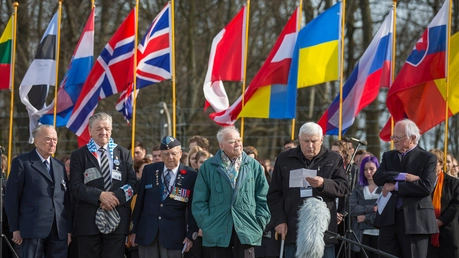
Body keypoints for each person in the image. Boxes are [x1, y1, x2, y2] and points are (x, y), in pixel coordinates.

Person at [267, 122, 348, 258]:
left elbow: (343, 187)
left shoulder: (334, 158)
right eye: (306, 141)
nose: (310, 145)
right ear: (299, 139)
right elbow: (274, 194)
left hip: (324, 231)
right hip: (293, 229)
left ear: (321, 140)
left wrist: (323, 183)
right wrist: (279, 220)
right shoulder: (284, 159)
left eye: (314, 141)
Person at [192, 126, 270, 258]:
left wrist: (259, 223)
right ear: (221, 145)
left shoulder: (254, 166)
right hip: (217, 230)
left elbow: (263, 197)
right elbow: (199, 201)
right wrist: (207, 225)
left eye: (239, 140)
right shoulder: (208, 166)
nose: (238, 143)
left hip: (247, 229)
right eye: (232, 141)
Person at [70, 112, 137, 258]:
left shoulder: (124, 154)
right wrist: (100, 196)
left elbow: (132, 184)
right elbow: (75, 186)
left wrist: (114, 198)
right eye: (99, 128)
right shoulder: (79, 155)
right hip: (88, 223)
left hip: (117, 220)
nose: (103, 132)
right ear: (90, 130)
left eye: (107, 128)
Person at [373, 119, 438, 258]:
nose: (394, 141)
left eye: (398, 137)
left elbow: (426, 186)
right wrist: (403, 176)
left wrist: (395, 185)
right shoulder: (388, 156)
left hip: (415, 221)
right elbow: (378, 178)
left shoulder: (427, 158)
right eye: (393, 137)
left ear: (413, 138)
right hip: (389, 220)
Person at [5, 124, 71, 258]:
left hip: (58, 230)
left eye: (55, 139)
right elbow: (12, 197)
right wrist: (15, 228)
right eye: (48, 139)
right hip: (32, 229)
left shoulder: (59, 166)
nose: (52, 143)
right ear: (36, 141)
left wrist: (68, 229)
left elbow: (66, 200)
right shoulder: (22, 163)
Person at [130, 136, 198, 258]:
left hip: (174, 236)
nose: (170, 157)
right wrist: (134, 229)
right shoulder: (150, 170)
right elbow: (140, 202)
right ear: (161, 154)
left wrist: (191, 233)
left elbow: (193, 207)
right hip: (148, 233)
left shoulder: (191, 175)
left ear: (181, 153)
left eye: (173, 153)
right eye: (166, 154)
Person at [427, 149, 459, 258]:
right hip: (427, 232)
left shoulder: (453, 183)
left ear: (440, 163)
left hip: (447, 231)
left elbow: (456, 205)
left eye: (432, 162)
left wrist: (440, 221)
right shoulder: (423, 182)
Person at [349, 156, 382, 258]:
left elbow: (384, 212)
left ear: (377, 168)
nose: (368, 172)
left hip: (379, 234)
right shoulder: (358, 188)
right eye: (365, 169)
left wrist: (365, 218)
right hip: (361, 234)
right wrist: (372, 208)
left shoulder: (383, 188)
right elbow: (351, 208)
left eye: (371, 169)